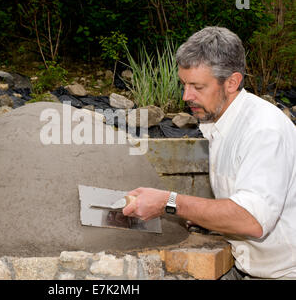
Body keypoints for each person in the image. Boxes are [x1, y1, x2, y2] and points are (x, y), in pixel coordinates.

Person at [123, 26, 296, 279]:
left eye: (197, 87)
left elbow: (251, 220)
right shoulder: (220, 123)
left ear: (232, 82)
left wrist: (169, 203)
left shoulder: (263, 130)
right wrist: (203, 217)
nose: (186, 96)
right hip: (248, 267)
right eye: (184, 84)